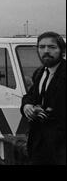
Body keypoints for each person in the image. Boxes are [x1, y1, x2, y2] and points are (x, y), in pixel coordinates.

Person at [20, 31, 66, 165]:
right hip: (39, 145)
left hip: (61, 148)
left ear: (62, 50)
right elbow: (31, 96)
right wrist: (27, 106)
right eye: (42, 47)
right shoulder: (40, 73)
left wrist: (47, 112)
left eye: (52, 47)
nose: (46, 51)